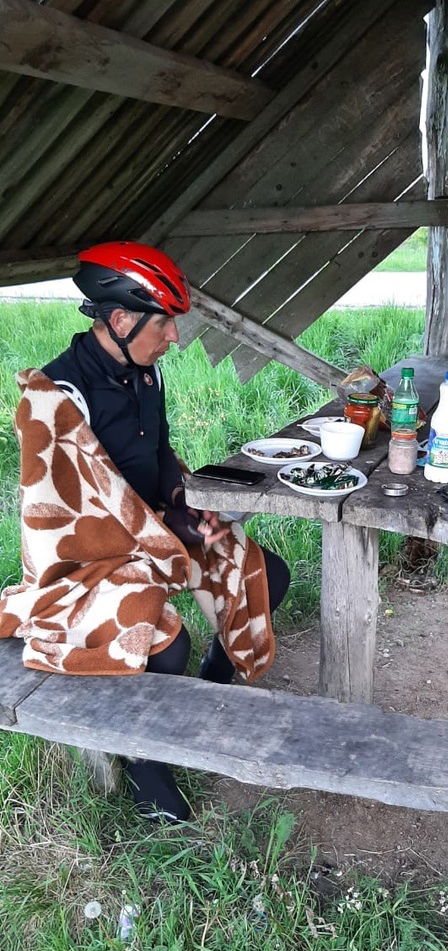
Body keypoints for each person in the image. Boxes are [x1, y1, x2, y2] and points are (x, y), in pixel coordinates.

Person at [0, 241, 289, 823]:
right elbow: (58, 528)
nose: (175, 338)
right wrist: (164, 530)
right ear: (122, 320)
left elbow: (159, 463)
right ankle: (143, 758)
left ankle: (205, 690)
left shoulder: (145, 376)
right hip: (84, 568)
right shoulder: (56, 401)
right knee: (160, 636)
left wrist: (186, 508)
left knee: (265, 575)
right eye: (166, 324)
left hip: (151, 539)